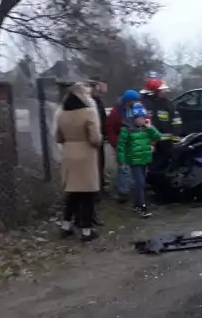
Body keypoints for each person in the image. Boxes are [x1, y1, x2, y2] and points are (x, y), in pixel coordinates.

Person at [56, 82, 102, 241]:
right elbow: (95, 138)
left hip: (69, 154)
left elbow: (58, 137)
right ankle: (86, 230)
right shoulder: (88, 113)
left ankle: (66, 225)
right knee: (88, 194)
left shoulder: (62, 114)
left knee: (73, 192)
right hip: (86, 155)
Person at [117, 103, 162, 218]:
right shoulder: (127, 129)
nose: (142, 120)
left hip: (145, 159)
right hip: (134, 160)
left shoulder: (146, 128)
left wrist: (150, 128)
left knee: (141, 183)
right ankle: (142, 206)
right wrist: (122, 161)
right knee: (140, 182)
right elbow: (121, 146)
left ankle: (137, 204)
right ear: (133, 118)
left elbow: (157, 137)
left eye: (144, 118)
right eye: (140, 118)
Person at [106, 89, 142, 202]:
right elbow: (110, 127)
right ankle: (123, 192)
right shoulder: (117, 112)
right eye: (135, 100)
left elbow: (147, 122)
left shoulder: (139, 109)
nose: (137, 102)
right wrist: (115, 142)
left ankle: (135, 190)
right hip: (122, 142)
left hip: (137, 142)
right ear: (128, 101)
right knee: (124, 168)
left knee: (137, 167)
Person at [141, 75, 182, 170]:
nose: (165, 92)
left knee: (164, 163)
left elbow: (176, 120)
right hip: (152, 141)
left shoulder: (168, 103)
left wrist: (176, 136)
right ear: (155, 92)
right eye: (162, 90)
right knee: (153, 164)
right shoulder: (145, 104)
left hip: (166, 141)